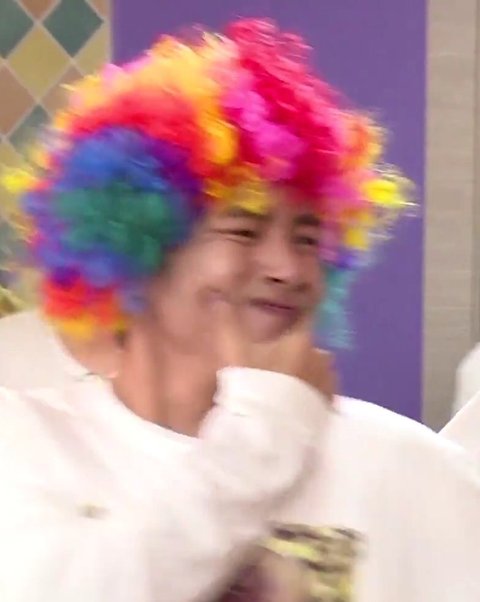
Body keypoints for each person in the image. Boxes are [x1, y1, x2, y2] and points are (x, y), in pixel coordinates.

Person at [1, 18, 479, 602]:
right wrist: (264, 430)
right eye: (244, 230)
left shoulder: (411, 469)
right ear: (137, 250)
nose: (287, 268)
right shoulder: (25, 444)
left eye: (308, 238)